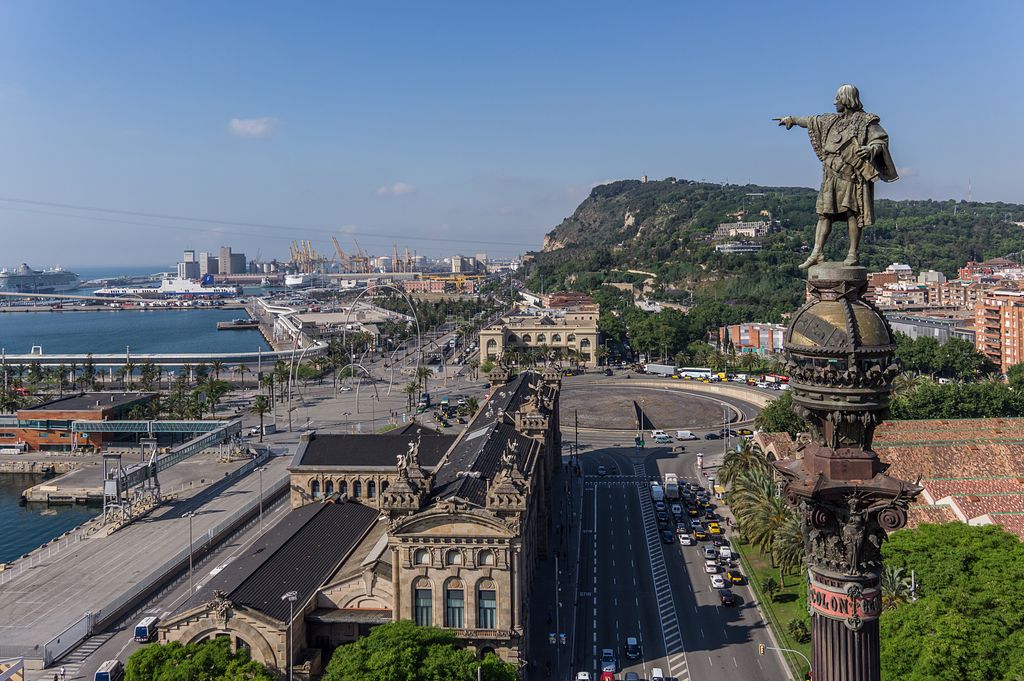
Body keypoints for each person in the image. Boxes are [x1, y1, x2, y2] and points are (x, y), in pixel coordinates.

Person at [776, 84, 898, 268]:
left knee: (852, 213)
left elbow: (880, 140)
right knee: (824, 215)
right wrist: (791, 120)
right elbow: (811, 120)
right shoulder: (831, 121)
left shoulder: (866, 121)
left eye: (838, 99)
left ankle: (853, 253)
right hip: (830, 175)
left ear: (847, 99)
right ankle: (817, 253)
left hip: (851, 175)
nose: (835, 102)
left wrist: (871, 149)